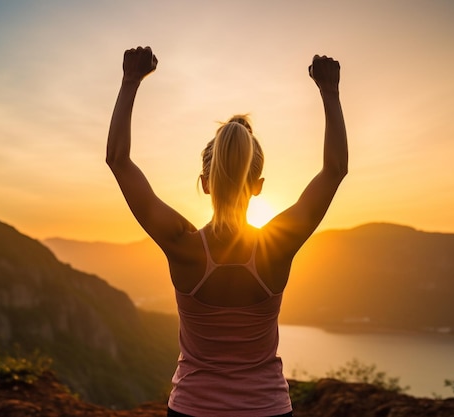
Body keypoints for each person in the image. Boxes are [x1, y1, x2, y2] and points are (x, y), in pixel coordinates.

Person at [106, 46, 348, 417]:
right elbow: (334, 171)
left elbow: (118, 161)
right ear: (258, 185)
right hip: (266, 409)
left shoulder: (181, 244)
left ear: (205, 182)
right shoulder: (277, 245)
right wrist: (329, 92)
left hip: (193, 409)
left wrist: (130, 81)